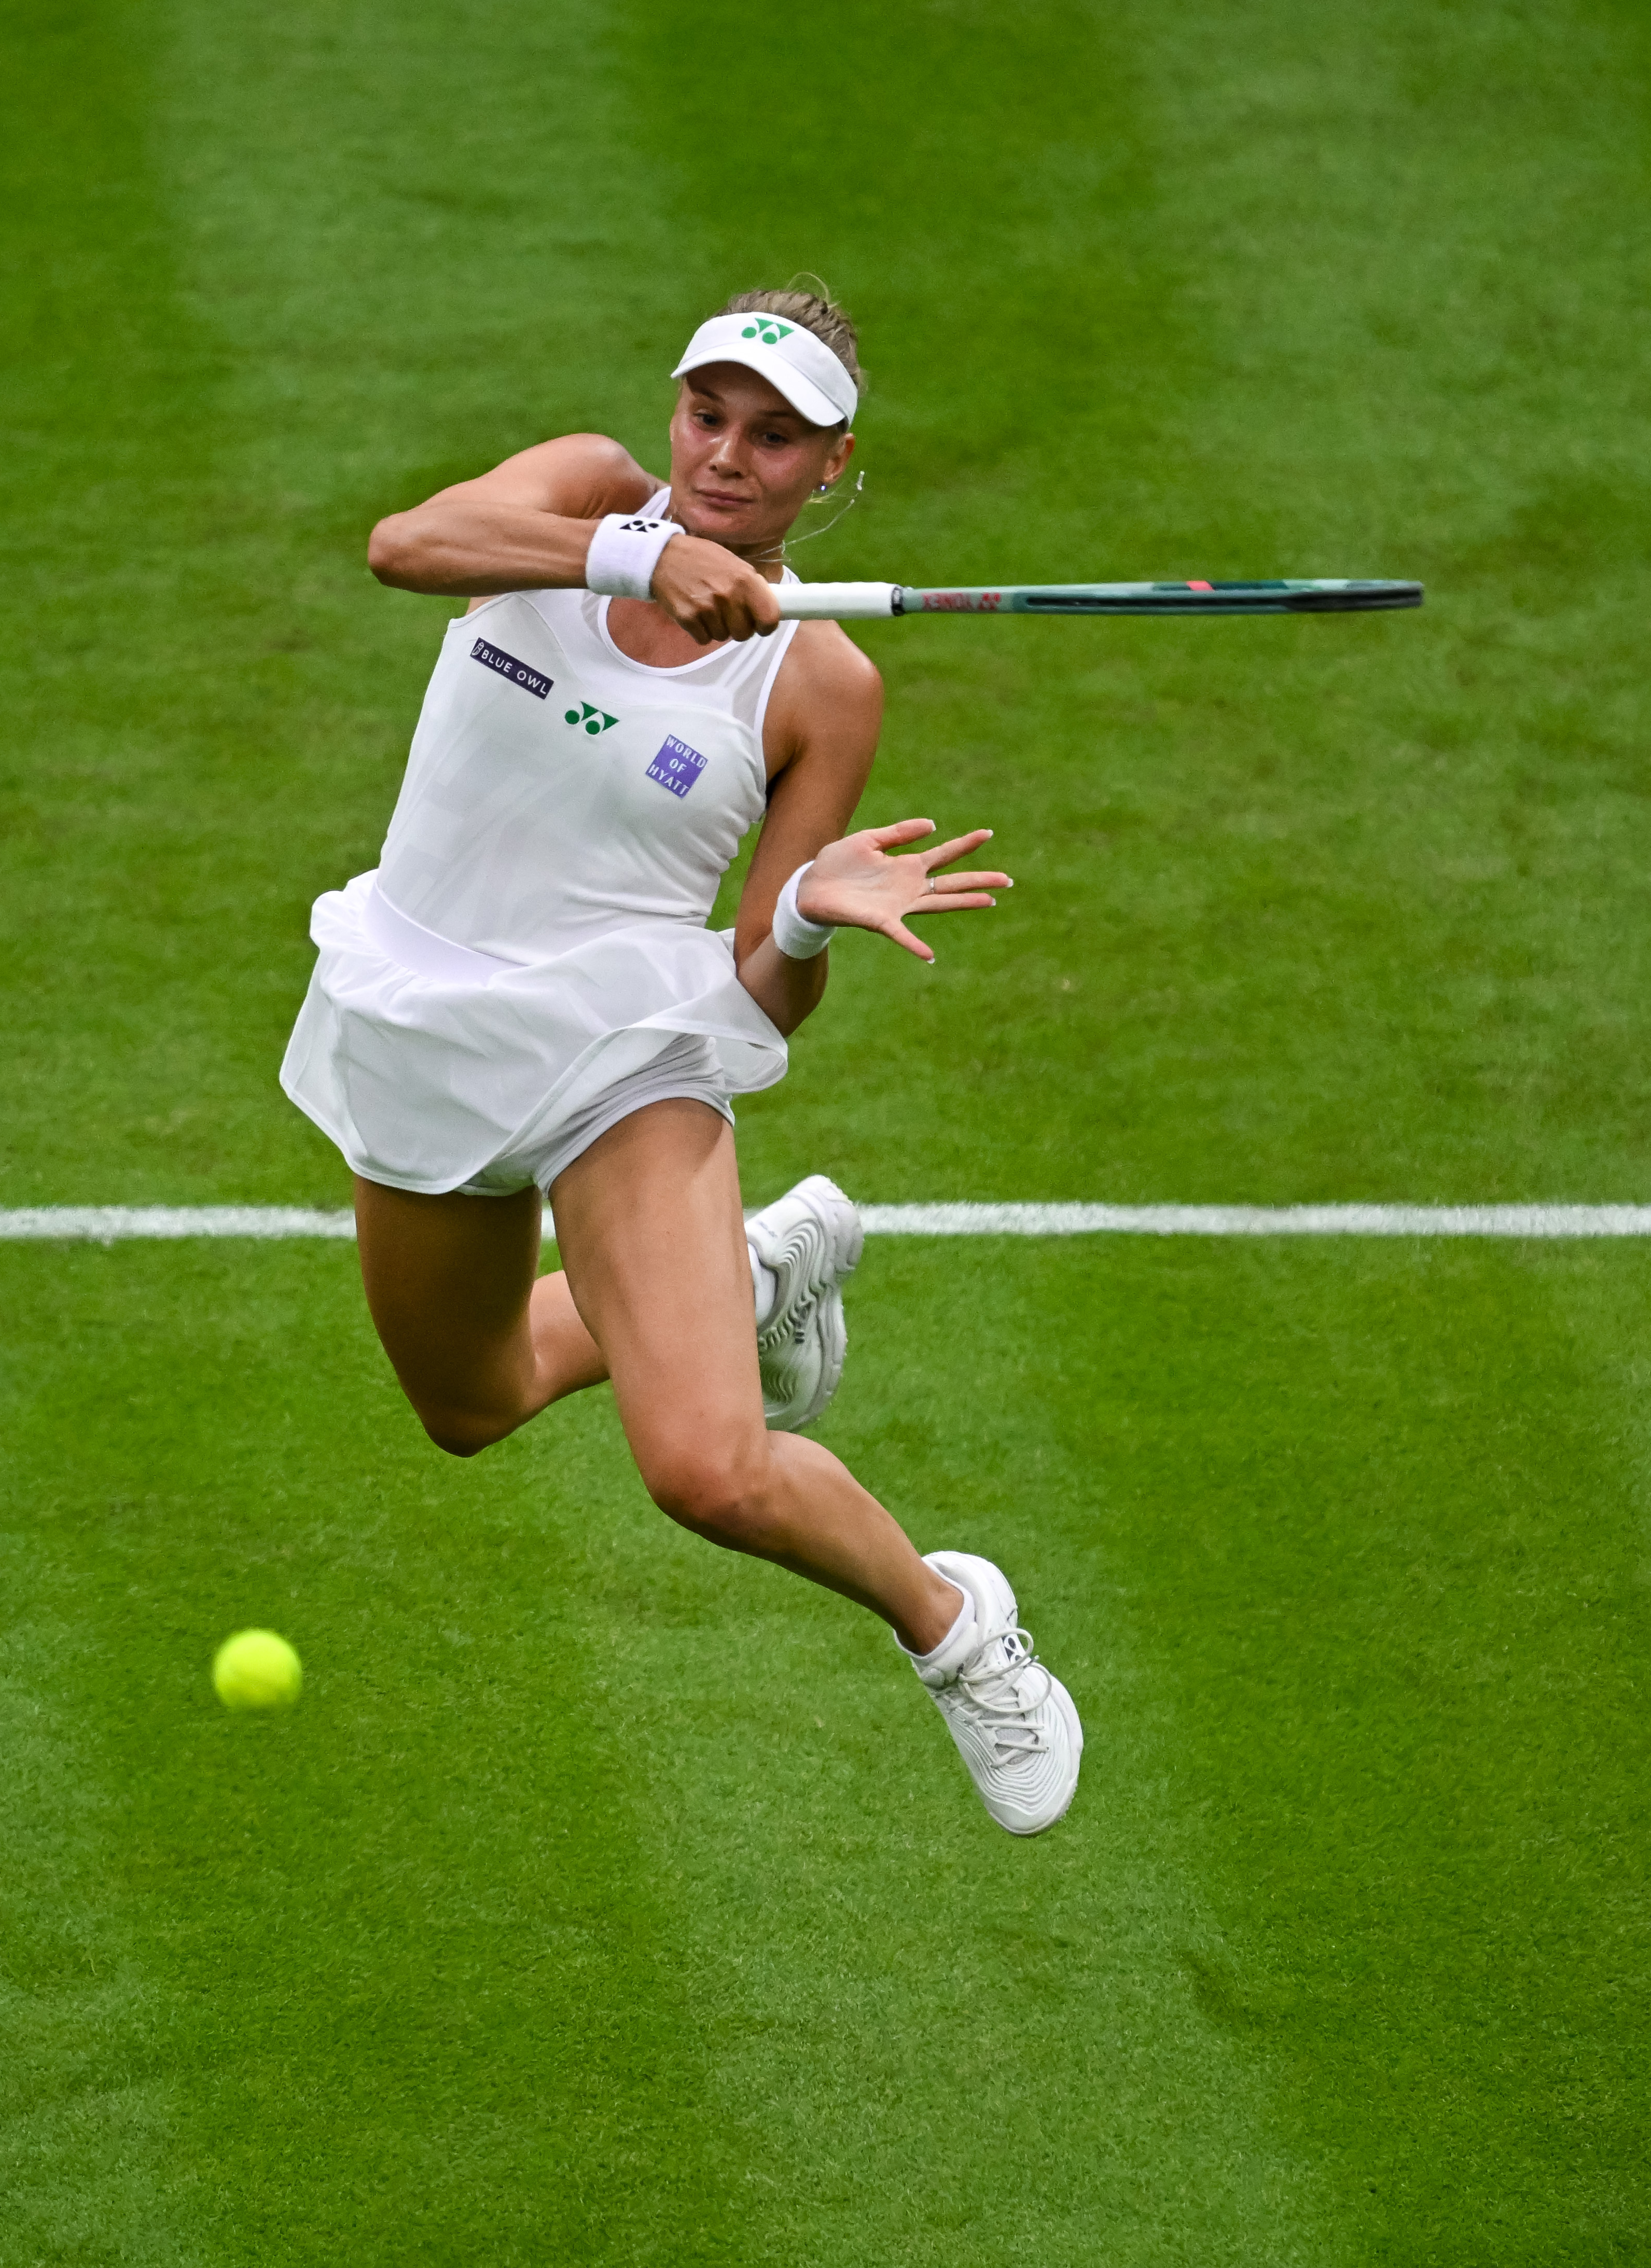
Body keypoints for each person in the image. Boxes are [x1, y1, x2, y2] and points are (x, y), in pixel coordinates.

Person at [280, 289, 1081, 1833]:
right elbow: (403, 547)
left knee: (707, 1471)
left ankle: (957, 1624)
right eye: (710, 416)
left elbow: (758, 1004)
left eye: (774, 437)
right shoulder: (578, 492)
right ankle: (756, 1272)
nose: (728, 457)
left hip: (618, 1052)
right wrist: (639, 554)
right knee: (470, 1400)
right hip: (423, 1011)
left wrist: (805, 912)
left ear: (832, 466)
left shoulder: (820, 679)